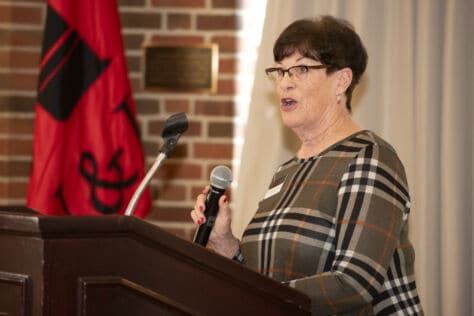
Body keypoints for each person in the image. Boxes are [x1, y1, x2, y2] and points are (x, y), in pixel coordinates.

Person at [191, 15, 423, 315]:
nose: (285, 82)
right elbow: (268, 275)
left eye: (300, 69)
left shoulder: (369, 156)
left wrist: (256, 300)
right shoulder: (286, 171)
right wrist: (225, 243)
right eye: (280, 71)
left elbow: (354, 283)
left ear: (342, 80)